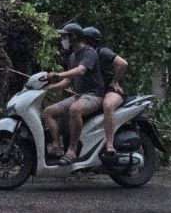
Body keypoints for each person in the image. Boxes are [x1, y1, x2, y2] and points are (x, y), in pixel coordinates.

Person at [42, 23, 105, 165]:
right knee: (48, 112)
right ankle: (56, 147)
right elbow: (68, 81)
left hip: (94, 95)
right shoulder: (72, 57)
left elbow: (80, 71)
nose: (63, 40)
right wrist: (49, 87)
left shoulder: (90, 53)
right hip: (80, 95)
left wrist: (58, 74)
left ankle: (72, 151)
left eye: (65, 36)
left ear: (74, 37)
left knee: (75, 109)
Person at [82, 26, 128, 156]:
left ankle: (109, 145)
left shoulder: (102, 52)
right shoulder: (84, 55)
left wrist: (115, 81)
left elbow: (123, 63)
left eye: (84, 40)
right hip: (98, 90)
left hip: (114, 89)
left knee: (107, 105)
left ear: (91, 41)